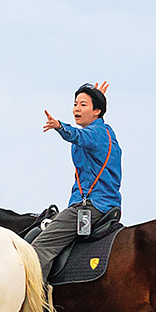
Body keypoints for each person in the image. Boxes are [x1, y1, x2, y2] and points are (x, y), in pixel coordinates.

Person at [33, 81, 120, 282]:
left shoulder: (95, 134)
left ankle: (33, 303)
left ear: (97, 111)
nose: (76, 109)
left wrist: (59, 127)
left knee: (39, 248)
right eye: (75, 104)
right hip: (103, 204)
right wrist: (97, 97)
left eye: (83, 104)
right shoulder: (103, 132)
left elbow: (77, 135)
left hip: (91, 206)